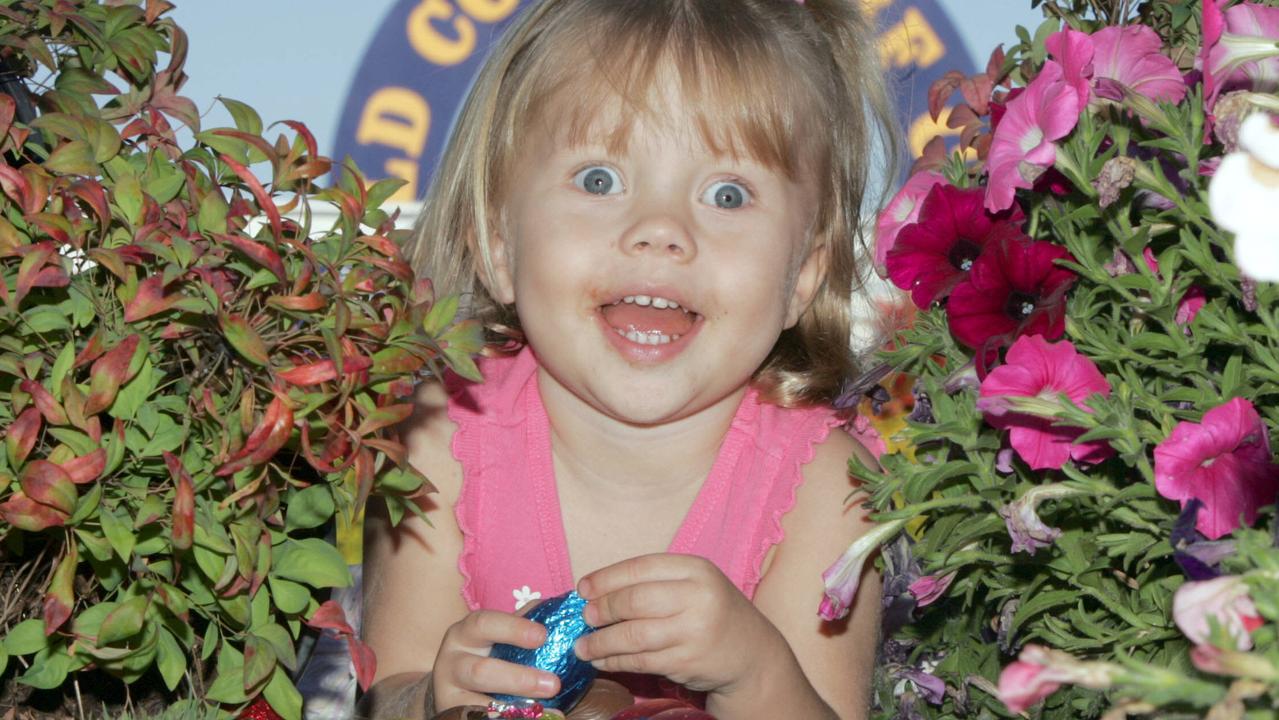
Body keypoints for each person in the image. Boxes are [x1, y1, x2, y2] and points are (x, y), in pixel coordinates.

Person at [359, 0, 899, 717]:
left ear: (801, 276)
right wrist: (427, 700)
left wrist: (755, 672)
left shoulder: (825, 487)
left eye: (727, 194)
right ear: (497, 241)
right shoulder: (440, 438)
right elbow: (386, 688)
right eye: (599, 180)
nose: (659, 230)